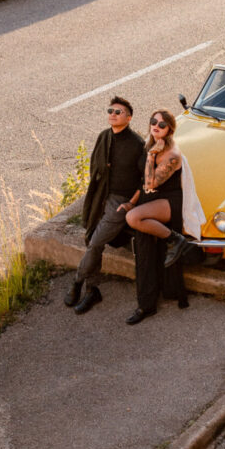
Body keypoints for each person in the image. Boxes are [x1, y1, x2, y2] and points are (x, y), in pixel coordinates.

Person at [64, 95, 145, 315]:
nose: (113, 115)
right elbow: (95, 168)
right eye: (110, 111)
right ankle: (92, 290)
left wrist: (131, 203)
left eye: (118, 112)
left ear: (128, 117)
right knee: (92, 238)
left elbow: (144, 180)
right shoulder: (104, 136)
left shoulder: (137, 144)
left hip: (120, 201)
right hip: (101, 196)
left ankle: (77, 282)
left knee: (95, 242)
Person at [123, 108, 192, 325]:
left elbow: (151, 183)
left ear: (170, 129)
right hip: (149, 201)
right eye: (154, 121)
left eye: (162, 124)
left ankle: (175, 239)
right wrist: (132, 201)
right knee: (144, 251)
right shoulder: (149, 144)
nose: (156, 126)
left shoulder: (172, 154)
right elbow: (141, 184)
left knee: (133, 218)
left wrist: (152, 155)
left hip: (169, 202)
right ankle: (146, 305)